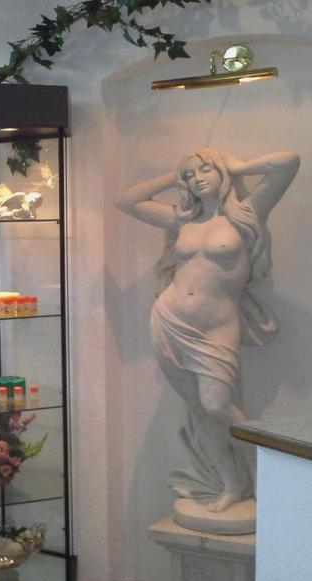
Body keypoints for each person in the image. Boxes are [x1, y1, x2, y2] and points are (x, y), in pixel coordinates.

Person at [115, 149, 299, 512]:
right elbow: (125, 200)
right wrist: (174, 175)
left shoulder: (247, 213)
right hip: (170, 320)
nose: (197, 179)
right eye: (190, 175)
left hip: (216, 327)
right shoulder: (182, 218)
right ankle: (231, 485)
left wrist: (238, 166)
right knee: (199, 408)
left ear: (221, 171)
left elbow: (287, 163)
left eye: (205, 169)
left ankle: (261, 472)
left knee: (218, 404)